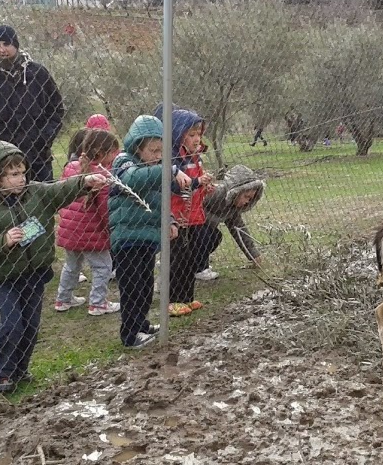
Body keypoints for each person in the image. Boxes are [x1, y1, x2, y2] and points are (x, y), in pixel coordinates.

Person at [0, 141, 107, 393]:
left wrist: (84, 182)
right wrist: (2, 240)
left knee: (31, 325)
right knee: (11, 325)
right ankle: (3, 373)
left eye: (22, 172)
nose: (21, 179)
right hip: (6, 278)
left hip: (35, 274)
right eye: (13, 174)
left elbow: (60, 190)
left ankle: (21, 369)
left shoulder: (37, 194)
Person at [109, 115, 186, 347]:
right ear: (137, 146)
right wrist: (170, 169)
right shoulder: (124, 163)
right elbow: (133, 180)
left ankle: (140, 324)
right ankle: (130, 334)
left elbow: (161, 200)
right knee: (131, 288)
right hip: (127, 238)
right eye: (153, 150)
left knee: (145, 287)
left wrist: (170, 220)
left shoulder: (153, 167)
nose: (158, 156)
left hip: (146, 238)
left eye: (162, 151)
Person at [0, 25, 65, 183]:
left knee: (41, 200)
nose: (2, 49)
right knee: (5, 203)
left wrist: (44, 138)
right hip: (1, 155)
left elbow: (56, 109)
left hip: (36, 154)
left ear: (15, 44)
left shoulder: (37, 73)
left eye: (6, 44)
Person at [154, 105, 215, 317]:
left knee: (191, 258)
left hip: (194, 216)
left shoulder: (195, 157)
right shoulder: (172, 160)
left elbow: (195, 184)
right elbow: (174, 187)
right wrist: (197, 182)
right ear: (178, 134)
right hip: (178, 217)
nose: (197, 139)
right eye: (191, 134)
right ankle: (173, 300)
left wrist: (204, 186)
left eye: (199, 134)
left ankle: (187, 298)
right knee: (177, 259)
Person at [55, 130, 121, 316]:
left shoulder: (71, 166)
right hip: (92, 232)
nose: (114, 156)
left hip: (70, 230)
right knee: (103, 267)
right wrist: (112, 229)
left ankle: (63, 299)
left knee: (71, 265)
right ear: (101, 154)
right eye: (112, 153)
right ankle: (98, 303)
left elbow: (62, 192)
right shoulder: (102, 175)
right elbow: (105, 209)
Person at [195, 165, 266, 281]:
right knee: (207, 234)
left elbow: (239, 229)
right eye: (246, 197)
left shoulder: (232, 207)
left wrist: (253, 254)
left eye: (250, 199)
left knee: (214, 236)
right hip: (191, 228)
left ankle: (196, 264)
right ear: (236, 191)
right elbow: (196, 206)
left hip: (205, 229)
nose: (247, 201)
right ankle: (198, 267)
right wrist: (215, 219)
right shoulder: (215, 194)